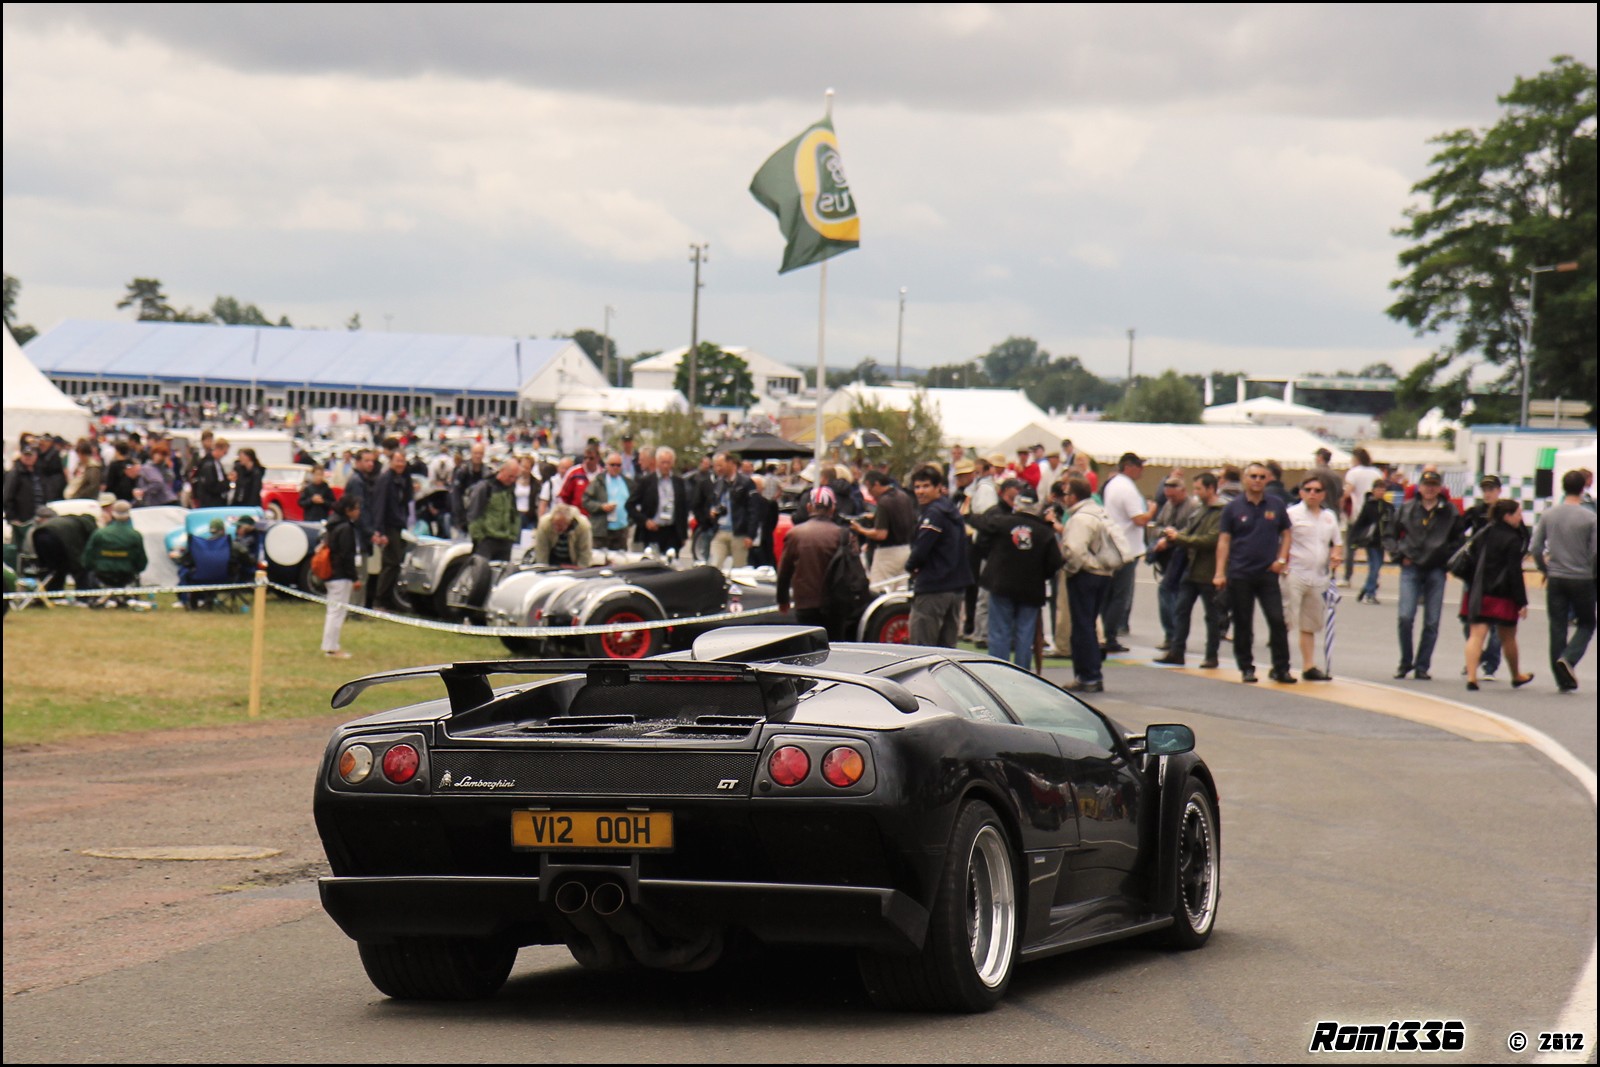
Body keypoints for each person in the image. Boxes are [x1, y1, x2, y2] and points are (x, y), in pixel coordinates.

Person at [1214, 462, 1296, 684]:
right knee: (1243, 623)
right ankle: (1246, 667)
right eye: (1253, 476)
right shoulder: (1232, 508)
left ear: (1267, 479)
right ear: (1245, 479)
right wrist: (1219, 572)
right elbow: (1224, 540)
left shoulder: (1276, 504)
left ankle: (1281, 668)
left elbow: (1287, 533)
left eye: (1262, 476)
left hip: (1268, 573)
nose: (1257, 480)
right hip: (1240, 573)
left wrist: (1281, 559)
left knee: (1277, 620)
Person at [1384, 469, 1464, 681]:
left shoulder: (1450, 511)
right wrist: (1399, 555)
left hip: (1436, 569)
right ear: (1419, 487)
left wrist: (1447, 560)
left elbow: (1459, 540)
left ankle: (1422, 665)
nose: (1430, 489)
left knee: (1432, 621)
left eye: (1434, 485)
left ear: (1440, 488)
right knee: (1405, 616)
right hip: (1411, 567)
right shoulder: (1407, 508)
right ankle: (1405, 661)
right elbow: (1389, 534)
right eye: (1427, 485)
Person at [1529, 470, 1597, 691]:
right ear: (1583, 488)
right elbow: (1595, 552)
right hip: (1582, 576)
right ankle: (1569, 658)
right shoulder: (1590, 517)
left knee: (1557, 625)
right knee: (1587, 622)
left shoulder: (1549, 515)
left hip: (1556, 576)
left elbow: (1536, 547)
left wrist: (1544, 568)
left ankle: (1561, 678)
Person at [979, 497, 1063, 668]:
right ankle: (1022, 673)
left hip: (1002, 584)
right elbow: (1055, 562)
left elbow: (981, 536)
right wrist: (1041, 574)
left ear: (1017, 505)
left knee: (999, 632)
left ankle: (997, 672)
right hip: (1031, 588)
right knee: (1025, 635)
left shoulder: (1002, 523)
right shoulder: (1044, 531)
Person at [1153, 472, 1226, 668]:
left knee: (1212, 615)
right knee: (1181, 609)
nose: (1196, 493)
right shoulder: (1200, 509)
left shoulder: (1221, 512)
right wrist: (1173, 536)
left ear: (1211, 489)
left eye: (1199, 489)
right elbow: (1189, 530)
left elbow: (1210, 540)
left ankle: (1211, 655)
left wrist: (1179, 538)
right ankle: (1176, 651)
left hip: (1209, 570)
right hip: (1191, 568)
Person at [1462, 499, 1534, 690]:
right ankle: (1516, 675)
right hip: (1503, 594)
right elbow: (1514, 572)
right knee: (1508, 637)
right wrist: (1522, 602)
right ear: (1507, 516)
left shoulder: (1484, 532)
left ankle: (1471, 677)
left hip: (1480, 591)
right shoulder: (1513, 539)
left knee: (1476, 635)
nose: (1520, 518)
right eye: (1518, 514)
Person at [1058, 476, 1117, 693]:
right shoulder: (1099, 512)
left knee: (1082, 626)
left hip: (1086, 574)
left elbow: (1075, 550)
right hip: (1104, 573)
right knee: (1089, 623)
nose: (1064, 498)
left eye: (1066, 494)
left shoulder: (1080, 518)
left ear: (1074, 496)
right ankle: (1091, 674)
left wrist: (1074, 568)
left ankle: (1088, 675)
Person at [1282, 475, 1342, 680]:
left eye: (1317, 490)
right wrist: (1282, 563)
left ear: (1323, 494)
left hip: (1318, 576)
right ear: (1301, 492)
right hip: (1295, 572)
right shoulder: (1291, 514)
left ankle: (1309, 666)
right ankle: (1281, 664)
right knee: (1286, 619)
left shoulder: (1329, 517)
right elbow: (1281, 539)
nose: (1312, 494)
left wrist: (1336, 555)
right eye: (1308, 490)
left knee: (1310, 623)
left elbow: (1337, 542)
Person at [905, 464, 970, 648]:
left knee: (922, 648)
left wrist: (910, 566)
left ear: (938, 487)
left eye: (926, 486)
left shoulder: (934, 513)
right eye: (917, 487)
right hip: (955, 587)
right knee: (947, 649)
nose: (920, 491)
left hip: (934, 587)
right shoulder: (951, 510)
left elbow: (921, 548)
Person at [1100, 452, 1156, 651]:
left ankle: (1105, 633)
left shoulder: (1113, 483)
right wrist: (1152, 510)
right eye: (1139, 466)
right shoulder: (1127, 488)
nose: (1141, 470)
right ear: (1129, 467)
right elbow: (1139, 519)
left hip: (1113, 544)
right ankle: (1110, 636)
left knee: (1109, 594)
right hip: (1126, 548)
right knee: (1119, 595)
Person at [777, 485, 848, 637]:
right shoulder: (843, 535)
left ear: (809, 507)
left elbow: (784, 571)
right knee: (835, 644)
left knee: (810, 645)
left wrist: (782, 599)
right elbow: (853, 571)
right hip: (836, 603)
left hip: (805, 602)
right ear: (832, 508)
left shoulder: (795, 534)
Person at [1150, 472, 1197, 651]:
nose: (1171, 500)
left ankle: (1175, 636)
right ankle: (1172, 636)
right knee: (1168, 593)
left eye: (1174, 496)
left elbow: (1192, 530)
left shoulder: (1193, 507)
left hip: (1185, 556)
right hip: (1169, 557)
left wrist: (1172, 538)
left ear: (1183, 491)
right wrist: (1164, 534)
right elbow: (1157, 526)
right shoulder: (1168, 505)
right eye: (1168, 496)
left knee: (1173, 594)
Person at [851, 470, 915, 584]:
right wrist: (876, 517)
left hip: (887, 554)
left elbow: (881, 534)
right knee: (901, 589)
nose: (870, 493)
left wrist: (860, 529)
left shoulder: (884, 502)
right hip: (906, 549)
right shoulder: (903, 496)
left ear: (876, 484)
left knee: (879, 588)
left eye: (869, 489)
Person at [368, 451, 413, 610]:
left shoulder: (403, 479)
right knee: (390, 562)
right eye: (397, 461)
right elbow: (379, 505)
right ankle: (380, 600)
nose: (400, 464)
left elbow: (406, 501)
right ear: (391, 461)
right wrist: (380, 530)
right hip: (388, 526)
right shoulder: (386, 479)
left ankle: (386, 599)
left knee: (395, 562)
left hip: (398, 525)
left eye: (403, 461)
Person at [320, 495, 363, 660]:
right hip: (340, 575)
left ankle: (330, 646)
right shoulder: (345, 528)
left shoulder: (333, 524)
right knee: (337, 612)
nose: (358, 512)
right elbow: (347, 556)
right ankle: (332, 648)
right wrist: (354, 577)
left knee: (333, 611)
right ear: (348, 510)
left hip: (332, 574)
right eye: (356, 508)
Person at [628, 446, 689, 556]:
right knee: (652, 561)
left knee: (670, 561)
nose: (665, 466)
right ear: (657, 463)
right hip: (653, 531)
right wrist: (645, 521)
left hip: (672, 531)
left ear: (673, 463)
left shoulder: (678, 482)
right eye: (662, 462)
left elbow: (683, 509)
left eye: (668, 463)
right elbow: (629, 505)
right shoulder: (646, 481)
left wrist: (683, 535)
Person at [82, 499, 148, 596]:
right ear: (129, 514)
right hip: (126, 575)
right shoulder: (135, 535)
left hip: (102, 574)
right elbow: (142, 561)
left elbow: (88, 558)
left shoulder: (99, 533)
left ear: (113, 514)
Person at [707, 452, 756, 569]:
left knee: (739, 568)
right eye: (715, 466)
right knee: (714, 566)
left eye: (720, 465)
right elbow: (714, 502)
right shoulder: (718, 483)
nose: (718, 469)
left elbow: (753, 510)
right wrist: (713, 511)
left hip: (739, 532)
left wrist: (750, 535)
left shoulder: (746, 483)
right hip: (720, 530)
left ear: (730, 463)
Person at [584, 452, 634, 552]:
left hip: (621, 531)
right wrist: (601, 507)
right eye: (612, 465)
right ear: (606, 465)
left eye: (618, 465)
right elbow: (586, 501)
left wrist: (630, 521)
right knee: (600, 558)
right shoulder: (598, 481)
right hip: (602, 530)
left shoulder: (628, 483)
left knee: (620, 559)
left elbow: (633, 504)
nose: (615, 467)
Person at [450, 443, 489, 538]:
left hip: (480, 519)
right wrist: (460, 519)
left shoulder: (487, 472)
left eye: (480, 453)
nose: (478, 456)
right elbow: (456, 496)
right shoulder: (462, 471)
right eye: (476, 453)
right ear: (471, 453)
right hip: (463, 517)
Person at [4, 446, 42, 543]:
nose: (27, 458)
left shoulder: (38, 472)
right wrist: (12, 518)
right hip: (21, 520)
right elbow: (7, 497)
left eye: (30, 455)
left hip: (37, 517)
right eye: (25, 455)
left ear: (36, 456)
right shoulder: (15, 473)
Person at [193, 437, 232, 508]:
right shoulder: (208, 464)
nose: (224, 455)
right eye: (224, 452)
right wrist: (227, 482)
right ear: (218, 449)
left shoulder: (217, 463)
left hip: (217, 501)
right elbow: (211, 486)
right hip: (211, 502)